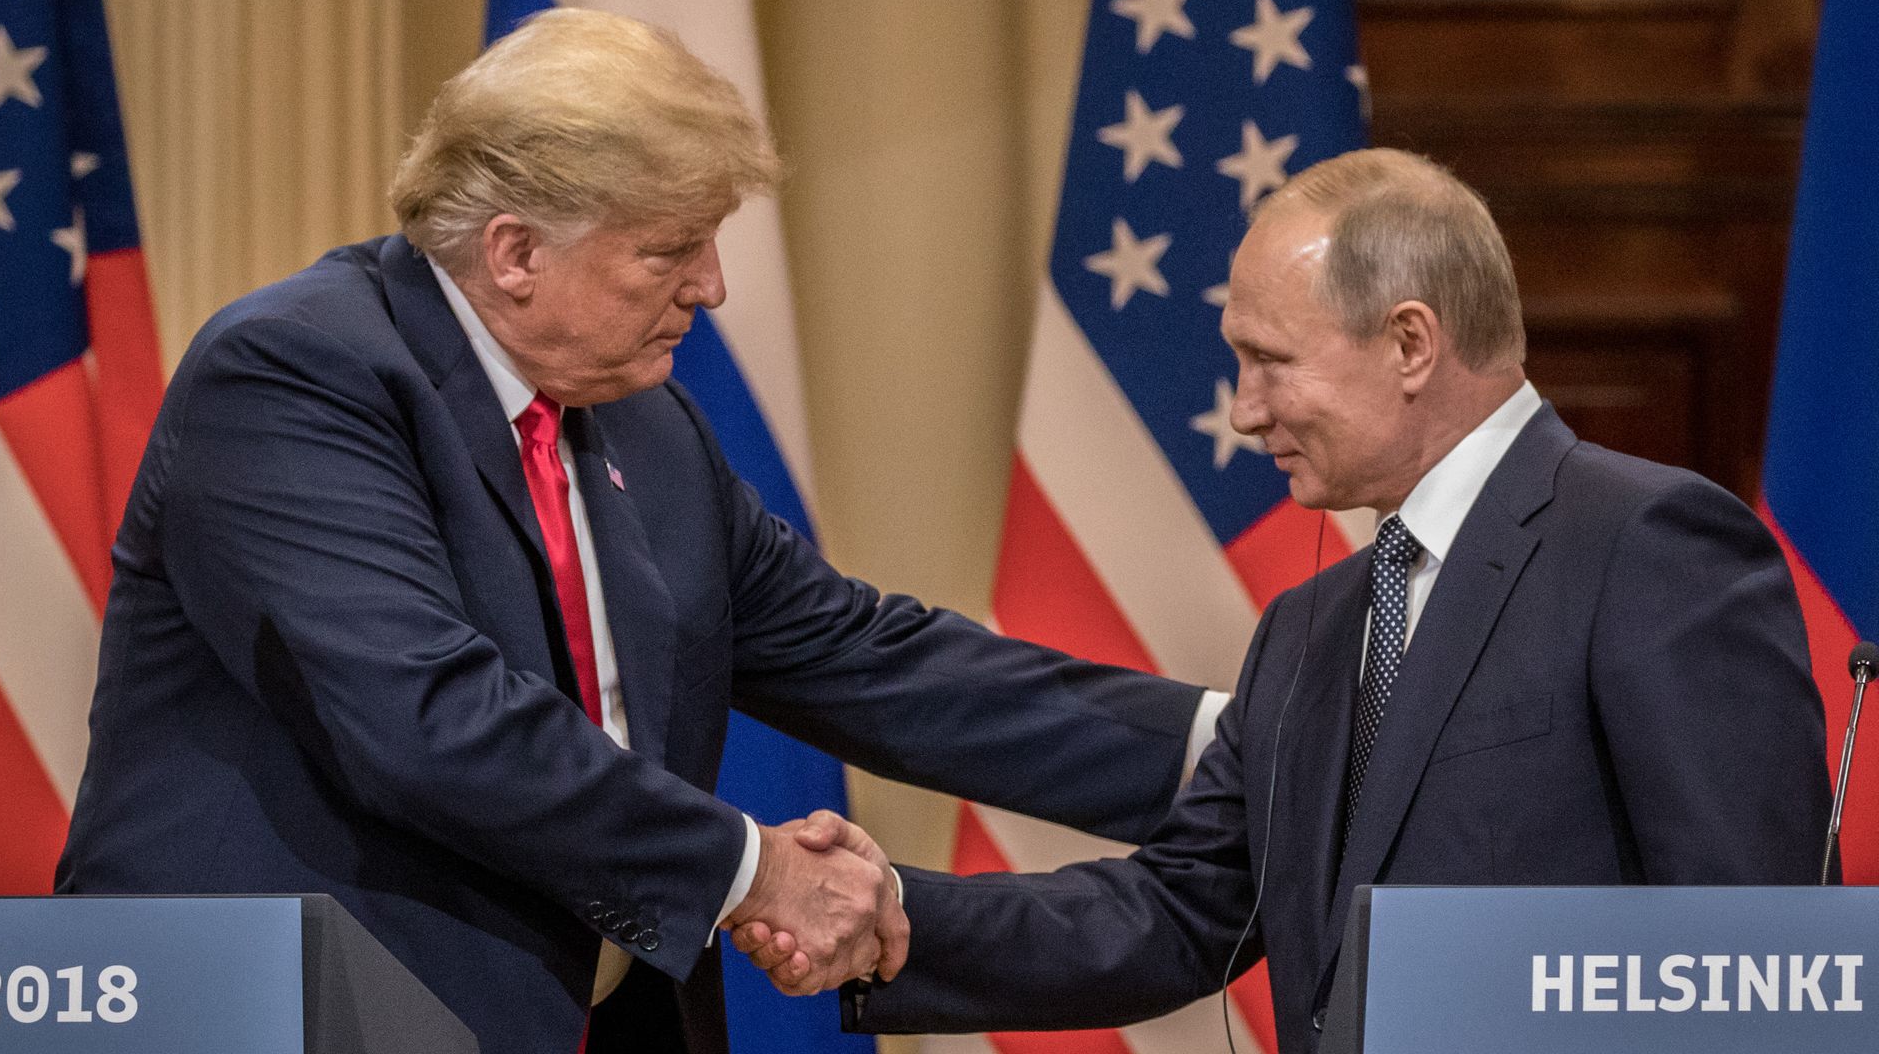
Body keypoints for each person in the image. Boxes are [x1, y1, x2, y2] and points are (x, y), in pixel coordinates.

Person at [52, 8, 1223, 1054]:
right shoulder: (297, 373)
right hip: (294, 1012)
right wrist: (755, 871)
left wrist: (1234, 748)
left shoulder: (646, 426)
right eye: (670, 250)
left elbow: (868, 657)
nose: (712, 287)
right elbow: (430, 717)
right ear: (513, 252)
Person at [737, 148, 1832, 1054]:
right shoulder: (1312, 629)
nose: (1246, 411)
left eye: (1269, 362)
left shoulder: (1646, 545)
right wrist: (887, 918)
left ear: (1410, 342)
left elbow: (1756, 964)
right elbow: (1174, 915)